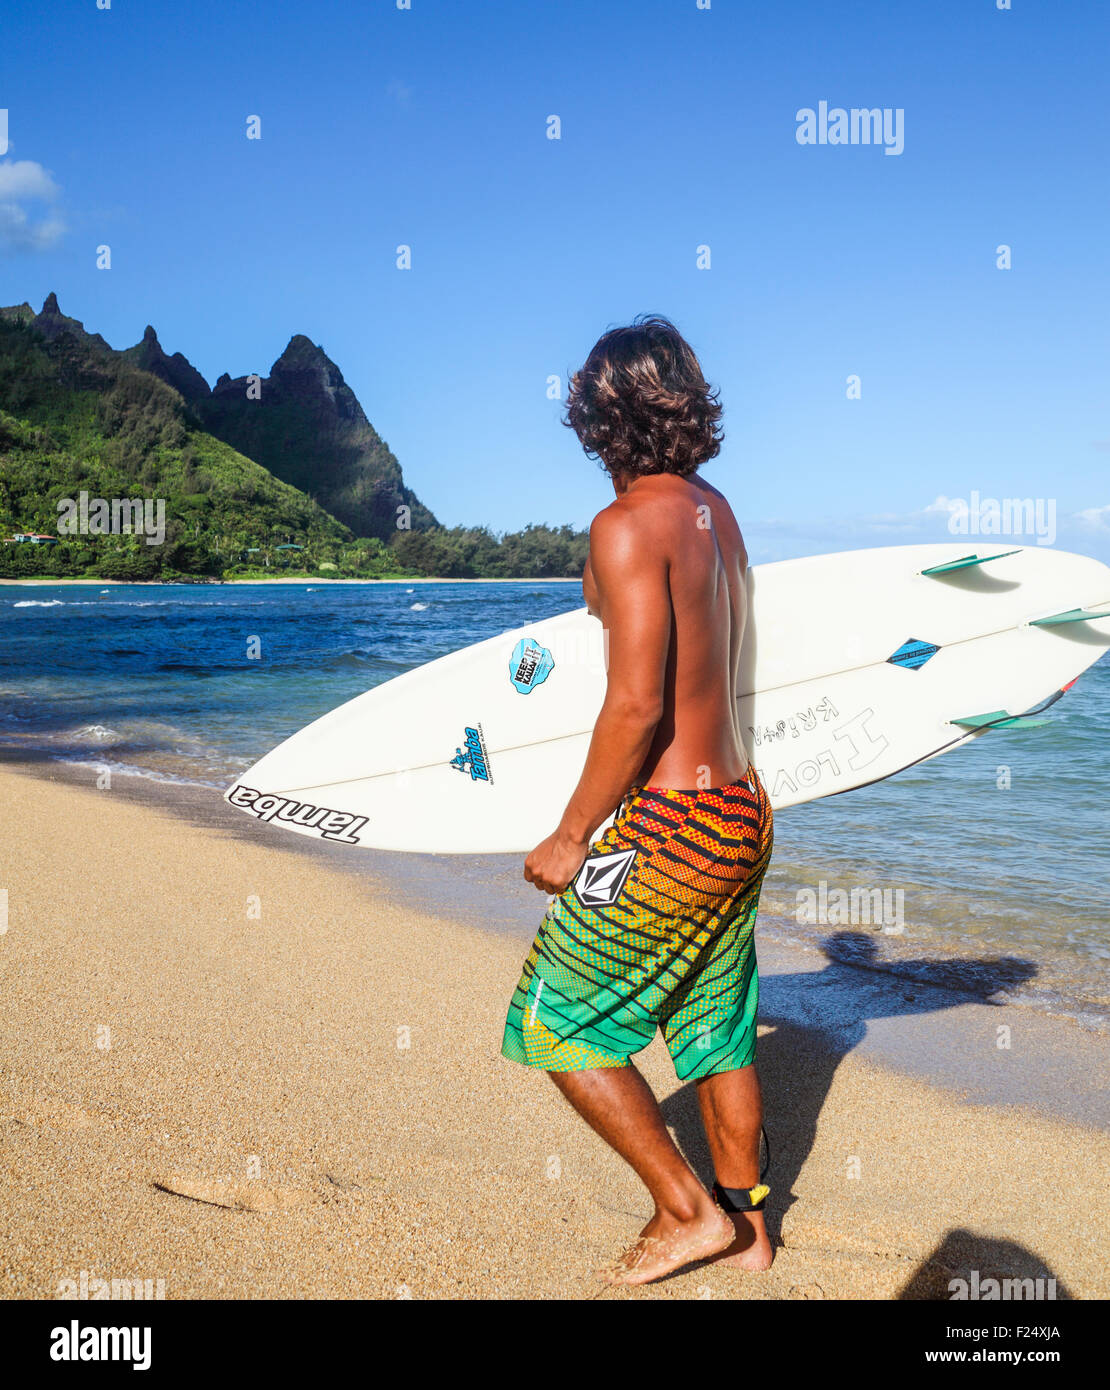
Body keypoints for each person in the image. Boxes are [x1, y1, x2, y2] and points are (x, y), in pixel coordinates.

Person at [501, 315, 775, 1287]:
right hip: (742, 807)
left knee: (556, 1021)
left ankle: (685, 1209)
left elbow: (635, 701)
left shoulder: (624, 526)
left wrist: (573, 833)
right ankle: (750, 1226)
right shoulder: (716, 511)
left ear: (596, 417)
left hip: (669, 822)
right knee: (714, 1021)